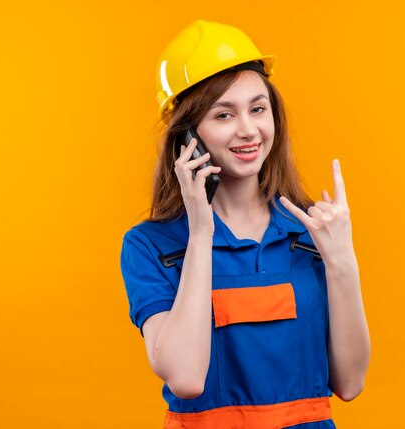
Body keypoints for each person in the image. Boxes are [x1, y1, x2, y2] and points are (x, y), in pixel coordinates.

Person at [120, 20, 371, 429]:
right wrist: (201, 231)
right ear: (188, 136)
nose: (248, 130)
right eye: (223, 114)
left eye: (258, 109)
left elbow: (350, 382)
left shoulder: (312, 232)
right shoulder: (151, 247)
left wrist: (343, 261)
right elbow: (185, 378)